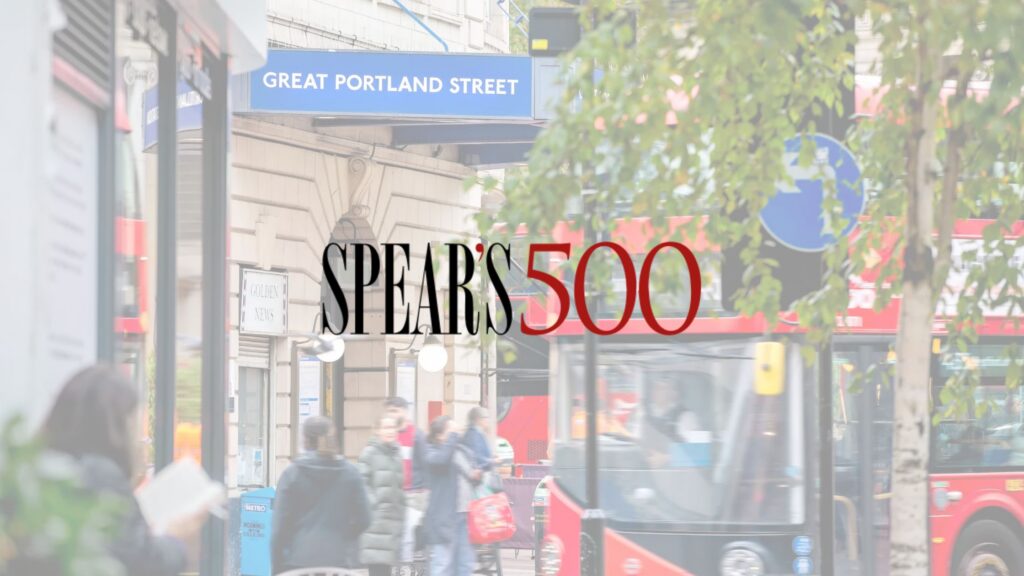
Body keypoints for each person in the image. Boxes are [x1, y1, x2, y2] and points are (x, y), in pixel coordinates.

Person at [42, 365, 203, 576]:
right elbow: (141, 561)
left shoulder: (49, 463)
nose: (138, 438)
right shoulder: (101, 473)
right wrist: (176, 538)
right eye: (134, 425)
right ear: (116, 425)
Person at [272, 416, 370, 574]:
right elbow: (365, 519)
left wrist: (277, 566)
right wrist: (343, 536)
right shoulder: (351, 473)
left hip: (299, 562)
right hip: (338, 562)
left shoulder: (292, 474)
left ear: (305, 440)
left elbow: (279, 527)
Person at [423, 415, 480, 576]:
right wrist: (453, 438)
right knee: (443, 564)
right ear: (439, 435)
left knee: (465, 563)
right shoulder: (432, 451)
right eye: (451, 430)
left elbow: (471, 477)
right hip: (444, 518)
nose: (456, 433)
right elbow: (441, 461)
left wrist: (477, 476)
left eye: (456, 430)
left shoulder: (462, 451)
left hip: (465, 515)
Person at [359, 415, 406, 576]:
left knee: (386, 569)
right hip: (376, 522)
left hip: (393, 521)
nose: (390, 431)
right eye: (386, 427)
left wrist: (402, 507)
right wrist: (375, 506)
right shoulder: (369, 453)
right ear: (377, 430)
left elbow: (399, 486)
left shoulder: (396, 453)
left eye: (393, 427)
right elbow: (362, 484)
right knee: (378, 569)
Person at [383, 396, 427, 561]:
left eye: (395, 411)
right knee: (395, 539)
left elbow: (426, 465)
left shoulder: (417, 435)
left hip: (412, 495)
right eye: (389, 411)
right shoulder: (388, 436)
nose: (391, 415)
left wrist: (423, 494)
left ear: (405, 412)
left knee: (407, 539)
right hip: (392, 495)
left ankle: (405, 570)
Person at [462, 407, 494, 473]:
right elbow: (476, 457)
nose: (488, 420)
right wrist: (491, 461)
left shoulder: (476, 432)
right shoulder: (473, 434)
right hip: (478, 475)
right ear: (478, 419)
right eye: (485, 417)